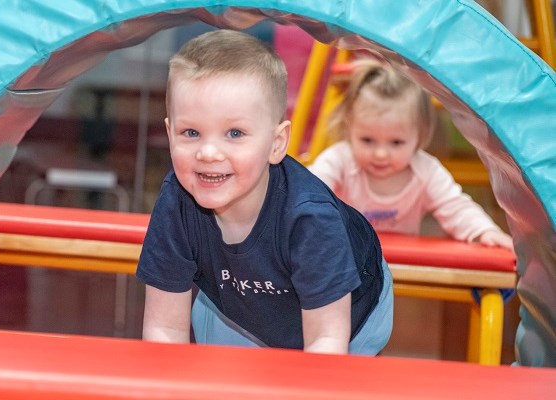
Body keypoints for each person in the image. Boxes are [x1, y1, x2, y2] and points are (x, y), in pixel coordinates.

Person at [136, 29, 393, 355]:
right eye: (191, 132)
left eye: (234, 133)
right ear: (170, 133)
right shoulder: (178, 201)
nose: (209, 152)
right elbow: (163, 329)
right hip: (237, 314)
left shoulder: (310, 218)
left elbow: (327, 342)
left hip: (351, 316)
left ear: (276, 143)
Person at [308, 59, 513, 250]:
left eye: (396, 142)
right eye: (367, 140)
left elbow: (456, 207)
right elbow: (308, 194)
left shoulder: (426, 171)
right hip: (347, 265)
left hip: (401, 268)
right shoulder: (339, 161)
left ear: (420, 136)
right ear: (349, 128)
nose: (380, 154)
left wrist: (485, 230)